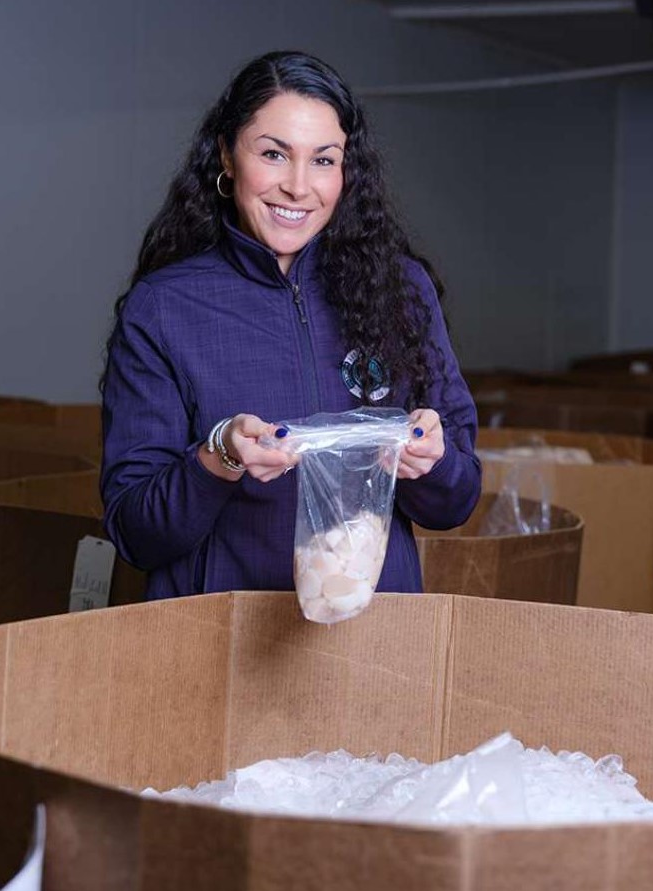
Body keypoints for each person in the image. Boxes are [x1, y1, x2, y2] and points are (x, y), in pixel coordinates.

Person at [101, 50, 481, 600]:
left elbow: (457, 503)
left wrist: (432, 463)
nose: (299, 186)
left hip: (378, 650)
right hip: (220, 648)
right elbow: (136, 533)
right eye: (274, 154)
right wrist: (219, 458)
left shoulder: (401, 288)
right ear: (228, 158)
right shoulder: (163, 309)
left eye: (324, 160)